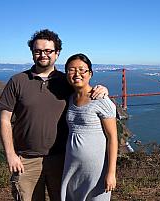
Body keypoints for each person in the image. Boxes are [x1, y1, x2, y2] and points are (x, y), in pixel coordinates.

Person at [0, 29, 108, 201]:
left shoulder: (68, 81)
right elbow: (4, 119)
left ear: (57, 54)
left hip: (63, 160)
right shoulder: (17, 81)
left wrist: (101, 89)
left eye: (48, 51)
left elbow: (87, 94)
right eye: (38, 51)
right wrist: (10, 155)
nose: (43, 55)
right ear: (32, 53)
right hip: (26, 160)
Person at [61, 53, 118, 201]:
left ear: (90, 73)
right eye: (71, 70)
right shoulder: (70, 98)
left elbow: (113, 138)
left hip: (96, 171)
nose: (77, 74)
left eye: (82, 70)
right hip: (72, 169)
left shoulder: (101, 100)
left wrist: (111, 173)